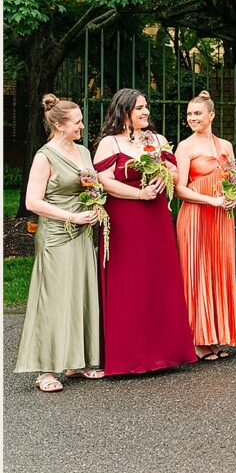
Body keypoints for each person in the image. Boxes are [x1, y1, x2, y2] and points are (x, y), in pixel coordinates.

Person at [93, 88, 197, 374]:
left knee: (157, 281)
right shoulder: (110, 143)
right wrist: (139, 194)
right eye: (139, 108)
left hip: (156, 220)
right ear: (124, 111)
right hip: (124, 220)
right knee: (129, 283)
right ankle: (129, 357)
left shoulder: (158, 140)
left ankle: (164, 353)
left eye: (146, 106)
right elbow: (104, 180)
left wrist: (164, 174)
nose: (146, 112)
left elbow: (175, 173)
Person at [15, 95, 103, 392]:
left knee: (80, 292)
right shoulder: (45, 157)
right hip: (56, 234)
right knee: (53, 298)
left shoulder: (83, 151)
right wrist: (71, 216)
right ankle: (45, 370)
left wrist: (94, 207)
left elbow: (90, 187)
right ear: (59, 125)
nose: (82, 126)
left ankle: (76, 362)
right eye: (77, 122)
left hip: (83, 232)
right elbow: (32, 202)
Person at [174, 91, 236, 360]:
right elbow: (179, 189)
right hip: (196, 216)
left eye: (197, 113)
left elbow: (233, 180)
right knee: (198, 272)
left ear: (211, 115)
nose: (192, 118)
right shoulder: (185, 147)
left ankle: (215, 335)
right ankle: (196, 339)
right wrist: (211, 200)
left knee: (219, 271)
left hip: (221, 217)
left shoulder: (225, 145)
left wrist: (232, 195)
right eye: (189, 114)